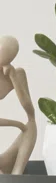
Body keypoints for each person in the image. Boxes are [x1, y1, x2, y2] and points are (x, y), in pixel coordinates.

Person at [0, 35, 37, 175]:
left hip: (7, 158)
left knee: (31, 125)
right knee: (25, 126)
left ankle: (17, 172)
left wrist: (14, 78)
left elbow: (30, 111)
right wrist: (16, 124)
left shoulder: (18, 74)